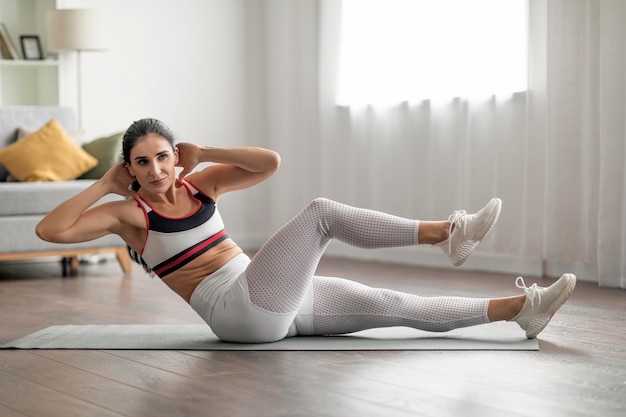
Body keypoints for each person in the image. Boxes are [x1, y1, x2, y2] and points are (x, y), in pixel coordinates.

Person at [36, 118, 576, 343]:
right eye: (140, 163)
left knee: (397, 303)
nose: (155, 171)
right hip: (240, 311)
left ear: (175, 157)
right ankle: (446, 234)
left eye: (162, 158)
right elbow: (50, 231)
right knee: (320, 213)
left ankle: (519, 313)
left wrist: (208, 154)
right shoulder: (133, 215)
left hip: (273, 299)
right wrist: (104, 185)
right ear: (129, 169)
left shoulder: (201, 185)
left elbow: (269, 162)